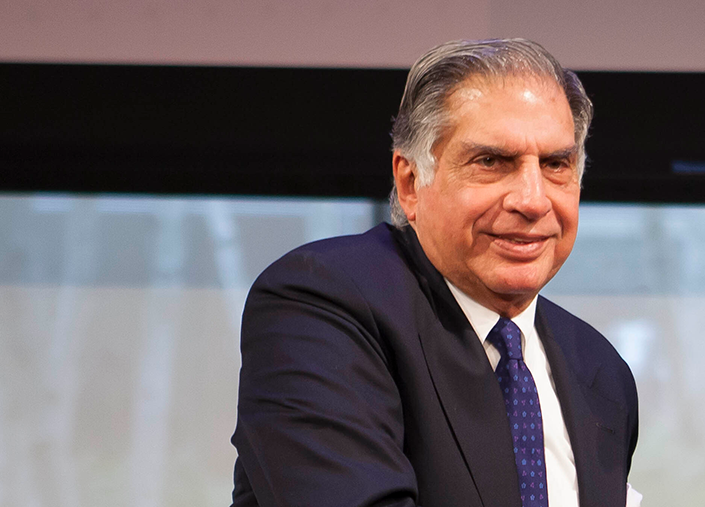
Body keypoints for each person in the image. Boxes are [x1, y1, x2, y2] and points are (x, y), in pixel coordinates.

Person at [231, 38, 639, 507]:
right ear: (410, 183)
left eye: (556, 165)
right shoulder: (319, 305)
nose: (533, 200)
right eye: (491, 162)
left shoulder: (600, 369)